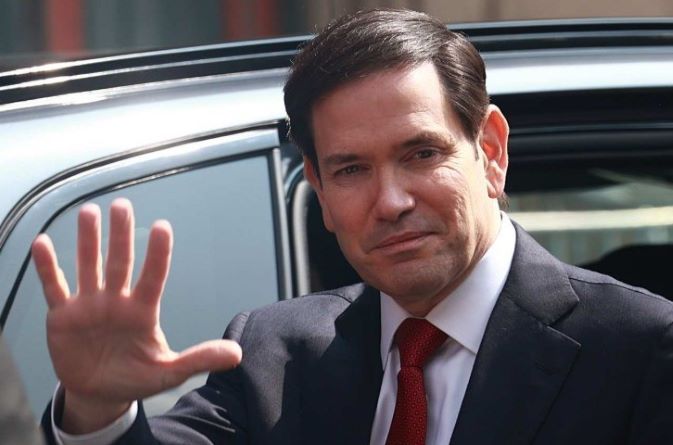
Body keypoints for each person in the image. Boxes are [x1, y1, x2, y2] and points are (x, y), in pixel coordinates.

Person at [33, 8, 673, 445]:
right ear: (319, 189)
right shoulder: (273, 353)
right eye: (351, 170)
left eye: (421, 153)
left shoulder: (641, 350)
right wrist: (98, 411)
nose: (390, 201)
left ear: (491, 151)